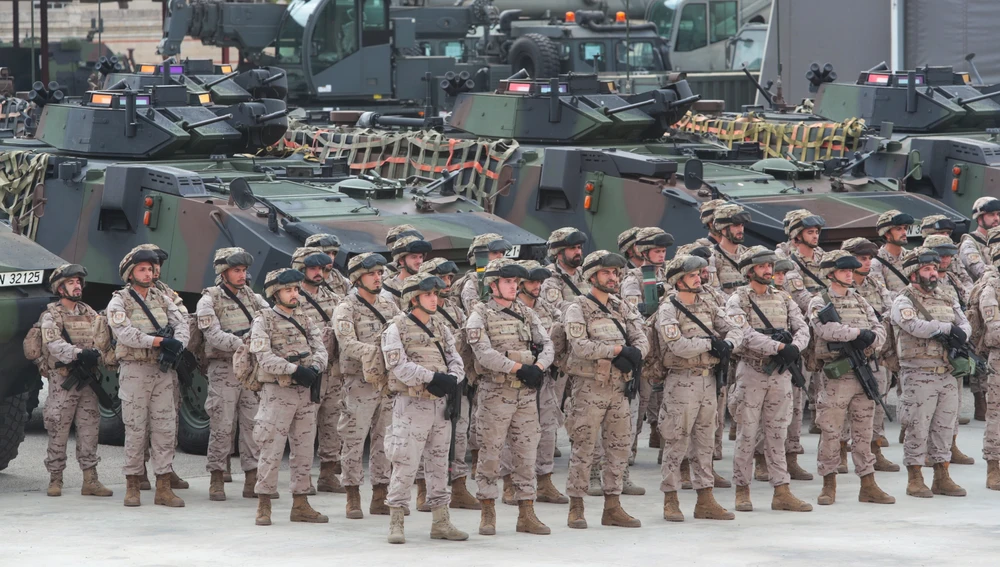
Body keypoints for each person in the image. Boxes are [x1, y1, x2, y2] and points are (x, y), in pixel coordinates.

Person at [466, 258, 554, 536]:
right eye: (507, 282)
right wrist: (520, 367)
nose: (513, 287)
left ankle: (526, 512)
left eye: (516, 282)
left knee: (526, 454)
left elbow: (548, 344)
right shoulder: (479, 314)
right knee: (490, 455)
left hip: (526, 395)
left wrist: (539, 368)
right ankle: (488, 511)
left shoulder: (526, 313)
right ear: (493, 285)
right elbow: (484, 354)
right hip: (495, 394)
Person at [563, 251, 649, 529]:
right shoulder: (577, 307)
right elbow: (580, 346)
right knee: (584, 448)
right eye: (607, 273)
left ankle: (612, 506)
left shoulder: (621, 306)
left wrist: (634, 353)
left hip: (619, 388)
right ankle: (576, 507)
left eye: (615, 273)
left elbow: (642, 338)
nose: (613, 278)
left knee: (619, 448)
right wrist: (617, 350)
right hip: (589, 388)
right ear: (592, 276)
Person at [382, 273, 469, 543]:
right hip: (411, 406)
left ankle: (441, 522)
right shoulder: (396, 328)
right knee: (405, 463)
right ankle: (396, 521)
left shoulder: (441, 328)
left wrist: (452, 378)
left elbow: (457, 360)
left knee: (439, 464)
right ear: (413, 298)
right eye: (428, 295)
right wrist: (431, 378)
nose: (434, 300)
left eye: (436, 295)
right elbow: (397, 366)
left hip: (440, 406)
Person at [725, 246, 812, 513]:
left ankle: (782, 490)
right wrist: (777, 347)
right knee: (747, 434)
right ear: (749, 271)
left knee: (778, 433)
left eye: (770, 267)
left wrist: (796, 346)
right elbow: (744, 333)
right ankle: (742, 490)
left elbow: (802, 326)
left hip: (780, 374)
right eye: (763, 267)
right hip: (752, 372)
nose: (768, 271)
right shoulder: (737, 300)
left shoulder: (784, 298)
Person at [656, 254, 742, 522]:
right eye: (693, 275)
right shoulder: (668, 309)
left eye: (699, 274)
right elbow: (678, 346)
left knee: (705, 441)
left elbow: (736, 330)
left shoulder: (708, 303)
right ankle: (670, 499)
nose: (699, 278)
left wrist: (726, 345)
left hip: (708, 380)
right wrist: (710, 343)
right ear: (678, 280)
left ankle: (705, 498)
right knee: (676, 440)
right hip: (681, 381)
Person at [807, 251, 894, 505]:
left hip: (862, 372)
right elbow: (826, 329)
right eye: (844, 270)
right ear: (831, 273)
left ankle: (868, 483)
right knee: (831, 431)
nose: (849, 274)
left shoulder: (860, 300)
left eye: (851, 270)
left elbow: (880, 330)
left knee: (864, 431)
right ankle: (828, 483)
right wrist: (858, 333)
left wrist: (869, 337)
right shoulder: (819, 301)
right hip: (838, 376)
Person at [107, 246, 190, 508]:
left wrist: (177, 343)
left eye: (151, 269)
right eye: (142, 269)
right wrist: (158, 342)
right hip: (135, 371)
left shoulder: (162, 298)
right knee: (135, 429)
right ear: (130, 274)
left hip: (162, 372)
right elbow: (125, 334)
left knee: (165, 428)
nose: (148, 273)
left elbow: (182, 323)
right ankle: (133, 484)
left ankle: (163, 487)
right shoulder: (120, 301)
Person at [250, 268, 329, 525]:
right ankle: (264, 503)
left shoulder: (306, 320)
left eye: (296, 289)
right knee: (271, 448)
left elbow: (321, 349)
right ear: (275, 293)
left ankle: (301, 502)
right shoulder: (263, 320)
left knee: (304, 450)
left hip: (305, 394)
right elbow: (263, 357)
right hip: (278, 393)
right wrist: (295, 370)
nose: (294, 294)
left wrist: (315, 367)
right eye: (288, 290)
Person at [891, 247, 969, 499]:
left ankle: (942, 476)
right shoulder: (903, 300)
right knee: (917, 426)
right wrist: (947, 328)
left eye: (934, 268)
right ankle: (915, 477)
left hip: (946, 373)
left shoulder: (946, 297)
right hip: (919, 374)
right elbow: (914, 325)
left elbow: (964, 322)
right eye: (927, 269)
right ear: (914, 274)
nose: (933, 273)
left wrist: (961, 333)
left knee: (944, 427)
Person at [197, 247, 269, 501]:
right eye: (236, 270)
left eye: (244, 270)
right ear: (223, 272)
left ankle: (252, 478)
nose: (242, 275)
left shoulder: (253, 297)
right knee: (222, 424)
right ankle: (217, 477)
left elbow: (269, 320)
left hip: (249, 370)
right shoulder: (209, 300)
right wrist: (245, 344)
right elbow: (214, 336)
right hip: (224, 369)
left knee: (252, 425)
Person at [36, 264, 113, 498]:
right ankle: (55, 478)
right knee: (58, 427)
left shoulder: (90, 312)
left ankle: (90, 479)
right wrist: (79, 354)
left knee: (90, 429)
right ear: (60, 288)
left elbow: (102, 340)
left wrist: (98, 355)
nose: (77, 285)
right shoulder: (51, 315)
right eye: (71, 282)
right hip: (64, 380)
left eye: (79, 282)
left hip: (88, 382)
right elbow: (54, 346)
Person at [334, 252, 401, 519]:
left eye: (380, 273)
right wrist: (380, 352)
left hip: (385, 383)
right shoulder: (345, 308)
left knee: (385, 440)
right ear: (357, 278)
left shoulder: (388, 305)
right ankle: (352, 494)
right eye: (372, 274)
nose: (378, 278)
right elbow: (347, 343)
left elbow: (402, 331)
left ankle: (380, 494)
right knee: (353, 438)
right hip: (359, 383)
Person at [416, 258, 480, 511]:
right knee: (425, 439)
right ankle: (423, 489)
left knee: (460, 435)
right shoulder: (417, 313)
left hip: (456, 381)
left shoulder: (454, 309)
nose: (447, 283)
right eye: (442, 278)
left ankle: (459, 487)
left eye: (450, 279)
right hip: (430, 384)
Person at [841, 237, 899, 472]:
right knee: (844, 408)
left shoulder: (875, 283)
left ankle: (874, 451)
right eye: (861, 258)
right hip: (849, 356)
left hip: (876, 353)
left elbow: (888, 310)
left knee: (877, 402)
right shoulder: (839, 287)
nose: (867, 263)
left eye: (869, 258)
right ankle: (841, 453)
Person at [291, 248, 347, 493]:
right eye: (312, 268)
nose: (318, 273)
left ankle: (327, 472)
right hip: (307, 372)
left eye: (322, 269)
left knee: (332, 422)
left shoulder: (334, 298)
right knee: (304, 426)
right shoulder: (292, 298)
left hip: (331, 371)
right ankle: (303, 477)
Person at [515, 260, 569, 505]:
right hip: (516, 379)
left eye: (539, 281)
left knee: (547, 429)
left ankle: (545, 480)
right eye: (532, 281)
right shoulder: (510, 309)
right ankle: (512, 483)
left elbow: (561, 331)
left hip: (544, 377)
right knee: (516, 434)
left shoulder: (546, 308)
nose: (537, 286)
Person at [540, 227, 590, 313]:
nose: (578, 252)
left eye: (579, 247)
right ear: (558, 253)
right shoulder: (550, 278)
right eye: (572, 248)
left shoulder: (586, 274)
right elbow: (557, 309)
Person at [381, 235, 432, 309]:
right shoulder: (389, 290)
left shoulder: (428, 283)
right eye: (414, 257)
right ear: (401, 260)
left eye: (420, 257)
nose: (419, 261)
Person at [871, 210, 914, 294]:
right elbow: (882, 295)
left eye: (905, 228)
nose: (904, 232)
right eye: (899, 229)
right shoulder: (877, 263)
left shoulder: (912, 257)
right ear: (887, 234)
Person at [960, 197, 1000, 283]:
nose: (996, 218)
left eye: (998, 214)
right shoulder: (969, 243)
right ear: (979, 218)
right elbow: (981, 272)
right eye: (991, 214)